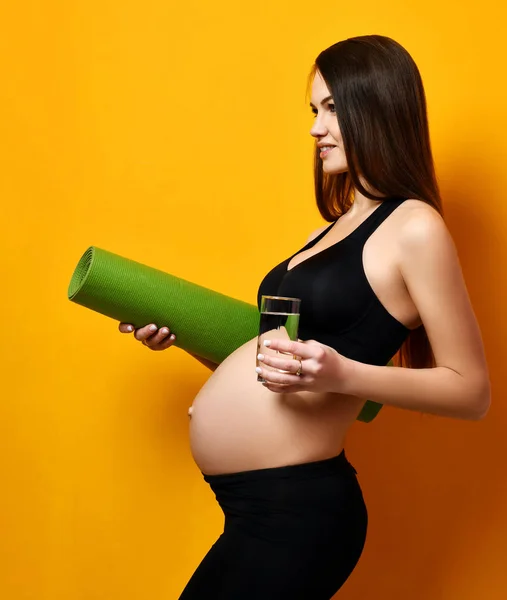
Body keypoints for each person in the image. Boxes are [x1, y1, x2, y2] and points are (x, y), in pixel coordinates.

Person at [119, 35, 491, 599]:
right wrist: (183, 337)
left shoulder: (414, 227)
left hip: (300, 511)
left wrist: (342, 375)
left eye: (333, 108)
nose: (315, 128)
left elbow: (471, 391)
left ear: (378, 105)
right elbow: (276, 368)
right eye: (314, 110)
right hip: (252, 504)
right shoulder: (327, 230)